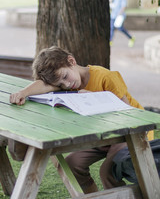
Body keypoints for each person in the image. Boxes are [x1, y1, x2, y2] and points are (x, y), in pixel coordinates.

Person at [10, 46, 153, 193]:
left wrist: (93, 98)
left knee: (108, 171)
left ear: (71, 61)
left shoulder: (105, 76)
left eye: (65, 77)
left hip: (131, 133)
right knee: (72, 164)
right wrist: (23, 93)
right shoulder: (69, 83)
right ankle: (93, 196)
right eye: (59, 85)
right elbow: (44, 85)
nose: (66, 85)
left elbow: (128, 113)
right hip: (104, 134)